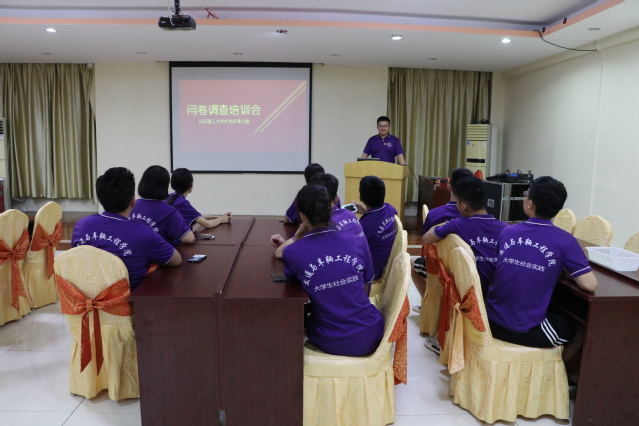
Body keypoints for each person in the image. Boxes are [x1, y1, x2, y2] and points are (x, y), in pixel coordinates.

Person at [485, 176, 597, 357]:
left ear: (530, 203)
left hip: (489, 320)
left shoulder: (508, 231)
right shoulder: (565, 240)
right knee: (581, 332)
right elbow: (590, 285)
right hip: (523, 330)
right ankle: (558, 373)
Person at [272, 184, 383, 357]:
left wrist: (299, 236)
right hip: (371, 333)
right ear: (332, 208)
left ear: (302, 216)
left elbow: (293, 280)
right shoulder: (356, 241)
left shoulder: (292, 252)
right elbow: (366, 284)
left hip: (331, 340)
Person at [72, 167, 181, 291]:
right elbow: (176, 260)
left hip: (85, 297)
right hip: (128, 300)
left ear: (100, 200)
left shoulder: (81, 225)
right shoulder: (144, 234)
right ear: (133, 201)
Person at [421, 176, 507, 296]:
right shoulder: (505, 228)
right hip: (500, 292)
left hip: (469, 292)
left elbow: (426, 238)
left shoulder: (457, 224)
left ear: (463, 205)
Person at [130, 165, 195, 246]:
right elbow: (189, 238)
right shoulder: (169, 211)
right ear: (165, 186)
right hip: (158, 253)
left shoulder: (132, 205)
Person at [352, 176, 397, 281]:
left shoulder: (364, 225)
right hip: (383, 265)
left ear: (361, 198)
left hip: (370, 273)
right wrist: (366, 212)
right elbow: (377, 222)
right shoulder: (389, 208)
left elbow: (352, 247)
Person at [166, 168, 232, 230]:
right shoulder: (182, 203)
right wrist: (221, 219)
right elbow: (208, 224)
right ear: (191, 185)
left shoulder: (168, 197)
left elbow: (197, 216)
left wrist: (220, 217)